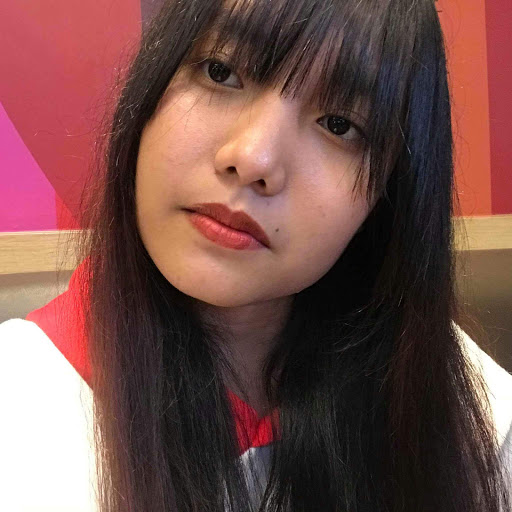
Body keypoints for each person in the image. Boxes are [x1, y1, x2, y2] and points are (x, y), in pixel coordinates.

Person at [1, 0, 511, 510]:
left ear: (388, 195)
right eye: (220, 72)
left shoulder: (475, 425)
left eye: (339, 125)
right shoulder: (21, 399)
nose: (252, 159)